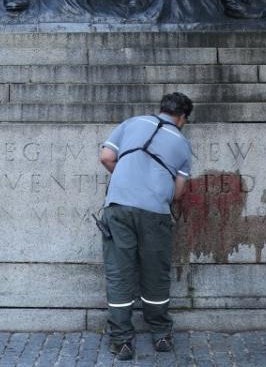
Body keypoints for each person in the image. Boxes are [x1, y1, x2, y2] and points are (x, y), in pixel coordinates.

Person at [98, 92, 194, 361]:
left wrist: (127, 181)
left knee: (119, 273)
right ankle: (161, 335)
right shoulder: (182, 145)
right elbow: (177, 192)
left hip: (118, 207)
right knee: (155, 273)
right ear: (183, 117)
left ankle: (122, 342)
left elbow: (106, 156)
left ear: (162, 109)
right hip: (155, 212)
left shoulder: (132, 123)